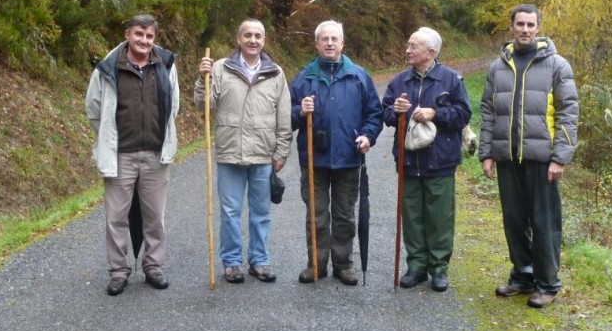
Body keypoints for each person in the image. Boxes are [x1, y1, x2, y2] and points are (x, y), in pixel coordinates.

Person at [479, 4, 578, 309]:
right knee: (514, 220)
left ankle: (547, 283)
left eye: (530, 25)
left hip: (541, 158)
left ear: (538, 28)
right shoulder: (498, 67)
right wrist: (486, 153)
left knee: (544, 221)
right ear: (511, 26)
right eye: (519, 24)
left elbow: (568, 112)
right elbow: (487, 111)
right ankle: (523, 276)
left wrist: (560, 157)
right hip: (507, 157)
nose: (524, 29)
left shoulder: (557, 65)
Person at [86, 14, 180, 295]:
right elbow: (93, 109)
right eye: (139, 34)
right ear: (127, 34)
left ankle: (154, 266)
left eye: (149, 36)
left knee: (155, 217)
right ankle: (118, 271)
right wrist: (107, 136)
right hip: (120, 155)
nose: (144, 40)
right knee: (115, 218)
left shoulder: (165, 65)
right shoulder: (108, 67)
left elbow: (173, 105)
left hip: (155, 153)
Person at [195, 19, 293, 284]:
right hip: (230, 153)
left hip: (263, 155)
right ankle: (232, 263)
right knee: (229, 212)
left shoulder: (276, 73)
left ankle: (259, 261)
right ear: (238, 39)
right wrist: (202, 79)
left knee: (261, 213)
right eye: (248, 35)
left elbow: (284, 116)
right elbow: (205, 105)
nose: (253, 40)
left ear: (264, 41)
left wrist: (281, 151)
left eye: (258, 36)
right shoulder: (219, 68)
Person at [291, 20, 383, 285]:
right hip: (313, 160)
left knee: (344, 214)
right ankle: (316, 265)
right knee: (316, 215)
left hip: (348, 158)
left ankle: (343, 265)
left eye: (334, 39)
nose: (329, 43)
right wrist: (300, 111)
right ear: (316, 43)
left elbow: (374, 114)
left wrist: (368, 136)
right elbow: (284, 113)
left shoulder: (359, 75)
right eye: (324, 39)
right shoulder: (304, 77)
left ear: (343, 43)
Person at [382, 28, 473, 292]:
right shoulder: (399, 81)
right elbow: (385, 113)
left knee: (439, 217)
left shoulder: (451, 80)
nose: (407, 50)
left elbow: (463, 115)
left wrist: (436, 113)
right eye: (408, 45)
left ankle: (439, 269)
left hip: (440, 161)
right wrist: (394, 111)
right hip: (408, 160)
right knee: (412, 216)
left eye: (414, 46)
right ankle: (417, 266)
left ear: (430, 52)